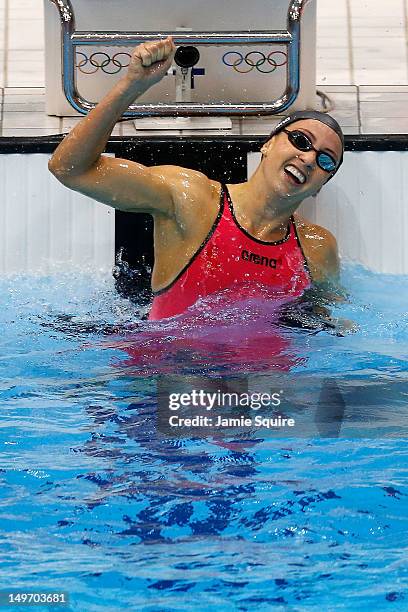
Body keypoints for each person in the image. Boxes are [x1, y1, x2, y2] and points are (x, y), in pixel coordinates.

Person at [48, 37, 346, 324]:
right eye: (301, 141)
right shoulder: (192, 199)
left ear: (321, 184)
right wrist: (130, 86)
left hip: (264, 373)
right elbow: (70, 169)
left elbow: (325, 323)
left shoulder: (317, 248)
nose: (308, 159)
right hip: (171, 367)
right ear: (267, 144)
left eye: (325, 160)